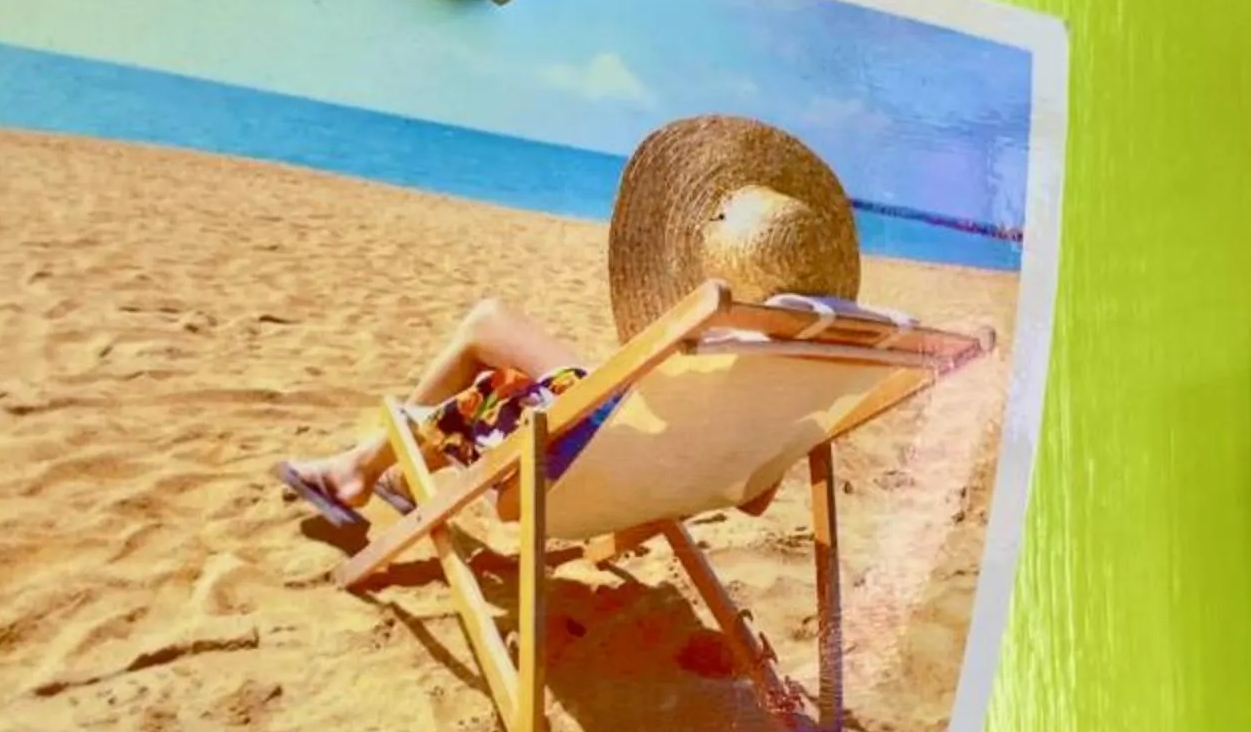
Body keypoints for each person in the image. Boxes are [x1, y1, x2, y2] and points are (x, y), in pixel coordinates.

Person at [275, 113, 865, 547]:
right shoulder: (804, 372)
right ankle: (389, 466)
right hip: (647, 477)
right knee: (519, 374)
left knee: (488, 323)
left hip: (591, 466)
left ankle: (359, 469)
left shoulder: (715, 330)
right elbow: (756, 499)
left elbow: (643, 407)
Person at [277, 298, 584, 539]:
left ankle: (360, 468)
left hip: (559, 464)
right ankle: (400, 475)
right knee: (511, 381)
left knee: (487, 321)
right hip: (612, 486)